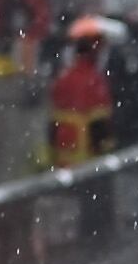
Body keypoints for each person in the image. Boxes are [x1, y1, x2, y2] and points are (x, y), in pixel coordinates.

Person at [46, 26, 115, 168]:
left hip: (64, 153)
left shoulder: (63, 77)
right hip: (89, 157)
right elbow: (100, 121)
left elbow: (53, 116)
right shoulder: (95, 79)